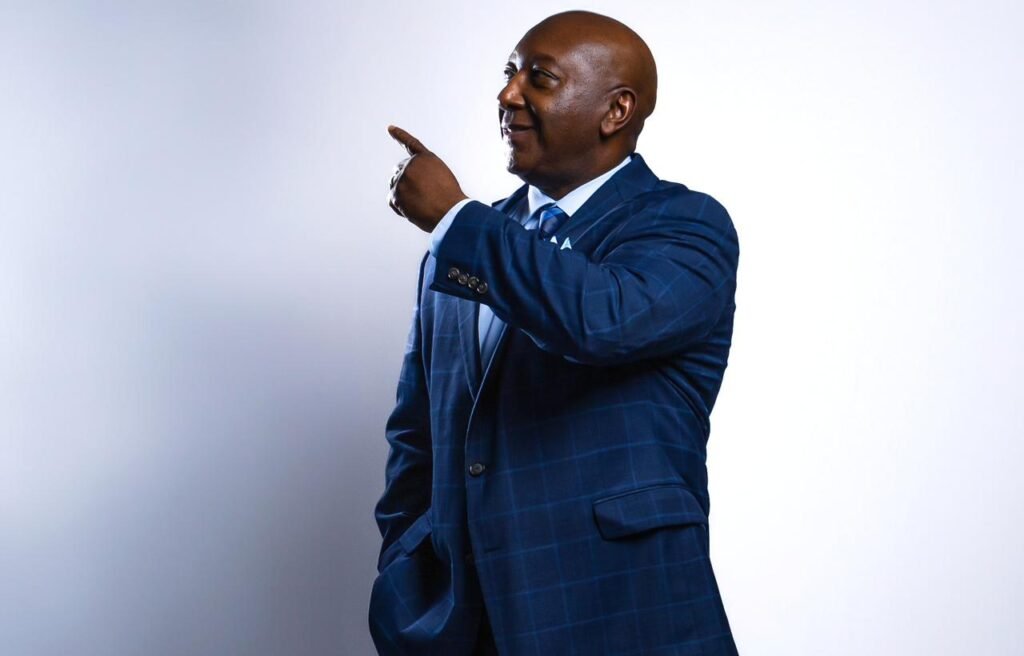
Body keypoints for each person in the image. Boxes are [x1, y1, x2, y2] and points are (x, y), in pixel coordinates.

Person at [370, 10, 740, 655]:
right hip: (465, 626)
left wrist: (455, 218)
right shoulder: (460, 247)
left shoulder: (686, 226)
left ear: (616, 110)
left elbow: (600, 321)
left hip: (625, 618)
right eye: (509, 73)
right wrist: (405, 567)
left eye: (538, 78)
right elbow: (416, 431)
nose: (507, 94)